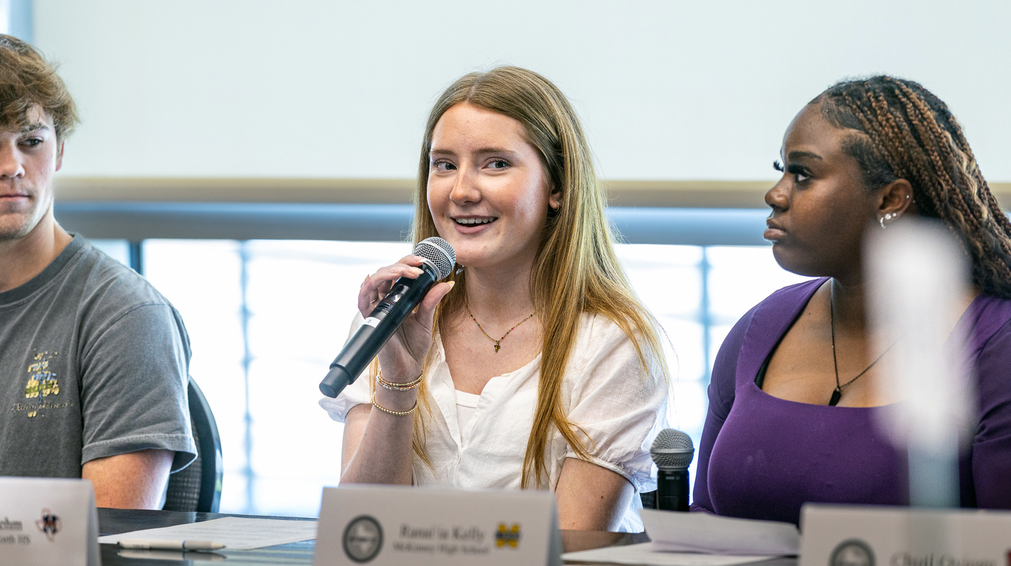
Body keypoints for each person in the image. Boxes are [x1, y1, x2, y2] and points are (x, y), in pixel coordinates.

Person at [320, 66, 669, 531]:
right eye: (444, 164)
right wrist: (398, 378)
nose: (461, 190)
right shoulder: (396, 317)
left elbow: (567, 551)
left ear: (558, 188)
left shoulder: (612, 344)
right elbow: (362, 533)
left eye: (496, 164)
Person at [692, 76, 1011, 525]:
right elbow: (705, 519)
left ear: (890, 199)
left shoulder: (996, 346)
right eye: (780, 170)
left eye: (802, 174)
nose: (775, 194)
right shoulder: (761, 328)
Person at [0, 33, 196, 508]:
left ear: (59, 152)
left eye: (32, 141)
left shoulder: (126, 315)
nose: (12, 166)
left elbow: (109, 540)